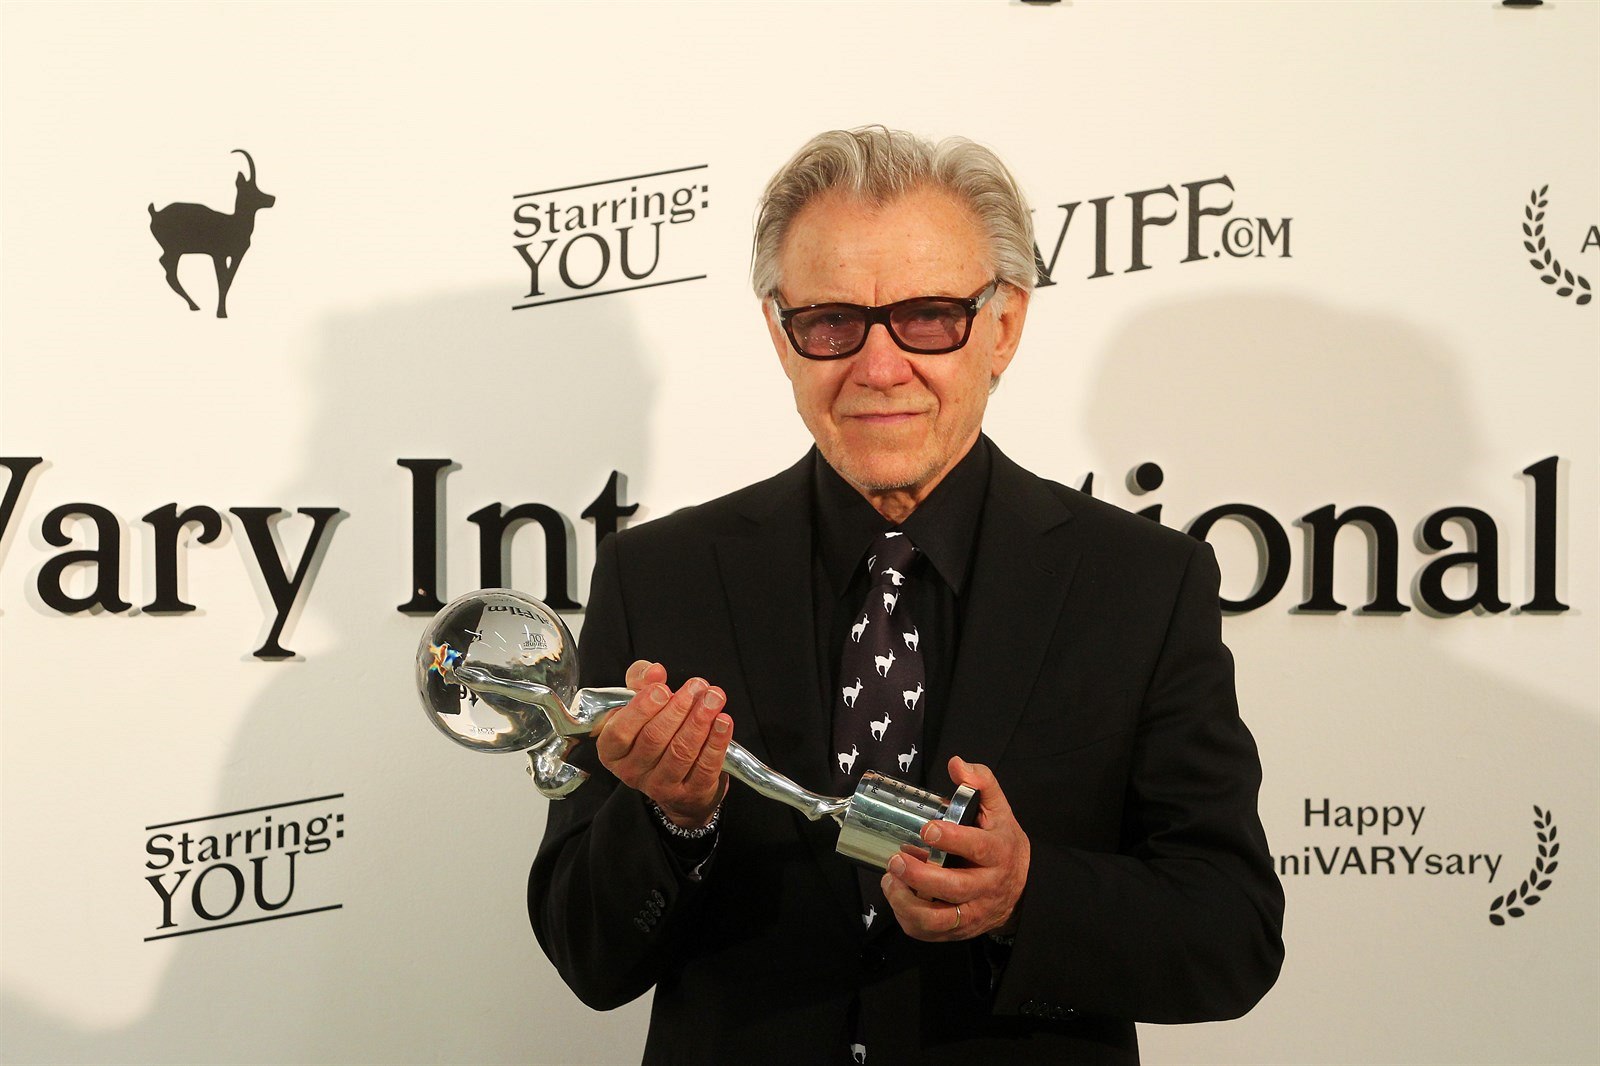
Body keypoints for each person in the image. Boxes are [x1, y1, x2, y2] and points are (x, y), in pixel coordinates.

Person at [529, 127, 1284, 1065]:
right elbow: (588, 957)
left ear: (1004, 326)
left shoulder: (1142, 584)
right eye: (831, 322)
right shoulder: (658, 576)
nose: (880, 368)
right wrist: (671, 821)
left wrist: (1026, 896)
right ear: (780, 335)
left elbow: (1232, 932)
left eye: (929, 317)